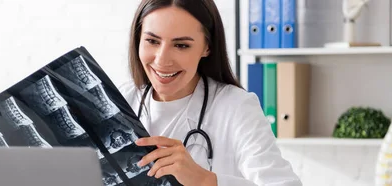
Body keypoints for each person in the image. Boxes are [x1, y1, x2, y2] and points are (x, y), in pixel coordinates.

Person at [118, 0, 302, 185]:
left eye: (181, 45)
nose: (162, 60)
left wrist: (205, 180)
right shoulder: (123, 100)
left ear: (207, 47)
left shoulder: (236, 107)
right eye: (152, 41)